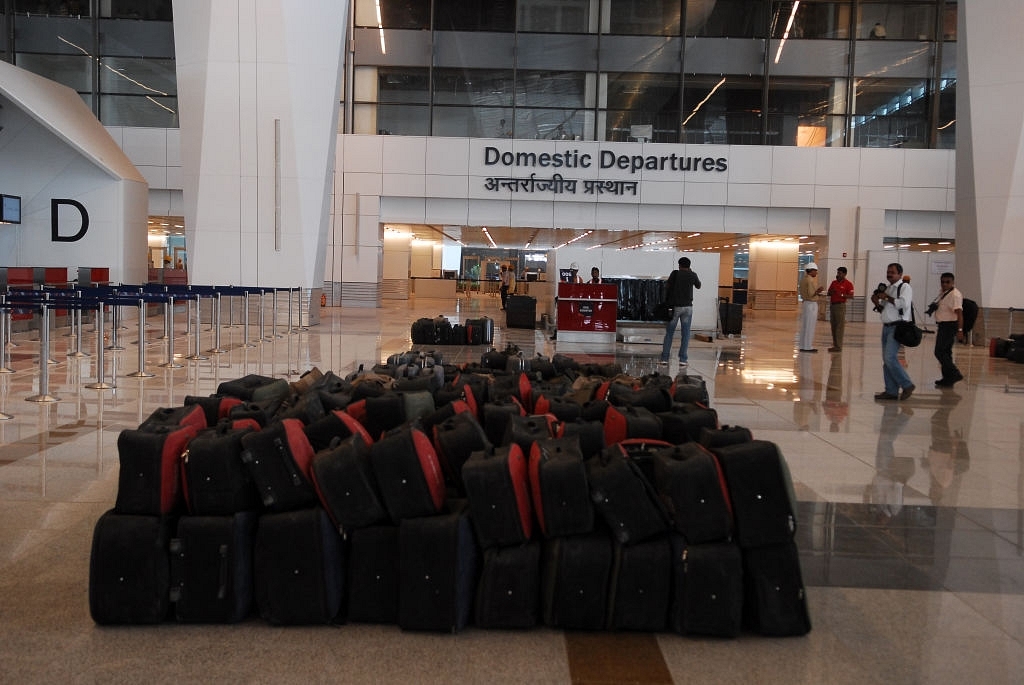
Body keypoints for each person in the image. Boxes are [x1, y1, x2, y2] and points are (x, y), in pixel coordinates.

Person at [870, 262, 915, 401]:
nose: (889, 274)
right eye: (888, 272)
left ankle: (907, 384)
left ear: (900, 274)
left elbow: (902, 304)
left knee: (890, 358)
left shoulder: (904, 287)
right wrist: (877, 302)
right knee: (887, 359)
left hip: (897, 327)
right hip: (887, 327)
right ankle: (891, 391)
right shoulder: (889, 288)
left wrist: (886, 298)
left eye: (893, 272)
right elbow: (885, 309)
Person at [660, 256, 701, 366]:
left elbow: (667, 287)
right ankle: (683, 359)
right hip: (688, 308)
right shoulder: (693, 275)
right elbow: (698, 285)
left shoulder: (675, 274)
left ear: (679, 265)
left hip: (675, 307)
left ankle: (665, 358)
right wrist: (691, 273)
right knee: (686, 334)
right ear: (689, 266)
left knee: (669, 333)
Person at [929, 272, 965, 387]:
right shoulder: (944, 293)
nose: (944, 284)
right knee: (946, 353)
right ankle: (948, 378)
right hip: (943, 325)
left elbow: (959, 314)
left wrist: (960, 330)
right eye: (942, 282)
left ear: (953, 282)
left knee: (939, 351)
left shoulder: (955, 295)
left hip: (949, 326)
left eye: (947, 282)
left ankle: (955, 373)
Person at [798, 262, 825, 352]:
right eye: (815, 271)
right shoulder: (810, 280)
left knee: (805, 325)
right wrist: (818, 291)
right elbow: (811, 294)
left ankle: (802, 345)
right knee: (810, 326)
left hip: (806, 303)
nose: (816, 273)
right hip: (811, 304)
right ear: (811, 271)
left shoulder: (803, 280)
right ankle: (808, 346)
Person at [826, 266, 854, 351]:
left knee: (839, 327)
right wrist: (831, 292)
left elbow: (851, 296)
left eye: (840, 273)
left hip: (840, 306)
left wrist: (841, 295)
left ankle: (838, 346)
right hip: (833, 306)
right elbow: (828, 293)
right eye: (837, 273)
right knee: (833, 326)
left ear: (844, 274)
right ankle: (835, 345)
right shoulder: (834, 283)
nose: (838, 274)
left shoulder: (848, 284)